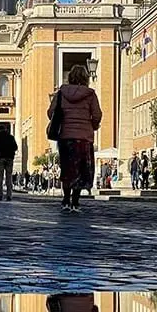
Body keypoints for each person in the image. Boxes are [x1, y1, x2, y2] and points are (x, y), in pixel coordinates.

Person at [49, 65, 102, 212]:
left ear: (70, 77)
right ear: (86, 78)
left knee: (67, 168)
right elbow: (97, 114)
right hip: (84, 137)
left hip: (65, 136)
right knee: (80, 169)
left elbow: (51, 112)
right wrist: (93, 125)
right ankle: (75, 202)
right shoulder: (90, 94)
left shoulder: (61, 93)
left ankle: (65, 200)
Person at [0, 126, 18, 201]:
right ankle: (9, 195)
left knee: (0, 177)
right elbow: (15, 147)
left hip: (0, 158)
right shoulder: (11, 137)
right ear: (6, 129)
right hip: (9, 158)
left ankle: (0, 195)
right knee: (9, 177)